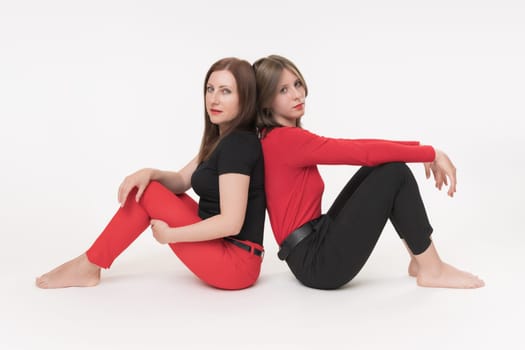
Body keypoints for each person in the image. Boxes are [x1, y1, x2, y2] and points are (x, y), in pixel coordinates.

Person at [253, 54, 484, 290]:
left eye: (297, 84)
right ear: (265, 101)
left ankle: (420, 260)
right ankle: (432, 269)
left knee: (384, 168)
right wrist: (429, 153)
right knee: (394, 174)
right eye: (283, 90)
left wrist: (419, 149)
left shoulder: (274, 138)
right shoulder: (286, 140)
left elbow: (363, 148)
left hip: (312, 247)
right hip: (318, 264)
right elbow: (359, 150)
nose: (296, 94)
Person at [36, 57, 265, 290]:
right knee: (150, 187)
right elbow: (181, 181)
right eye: (210, 89)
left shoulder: (239, 145)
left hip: (236, 264)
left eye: (225, 91)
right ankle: (90, 263)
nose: (214, 99)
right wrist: (150, 172)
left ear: (244, 99)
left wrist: (171, 235)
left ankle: (90, 264)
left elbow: (231, 223)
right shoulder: (222, 140)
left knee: (149, 193)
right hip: (222, 249)